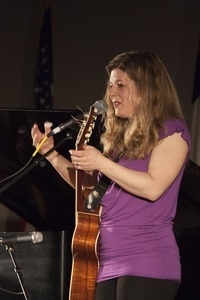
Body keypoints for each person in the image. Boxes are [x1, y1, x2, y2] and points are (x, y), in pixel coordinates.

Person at [31, 51, 191, 300]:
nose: (111, 93)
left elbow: (153, 187)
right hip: (105, 262)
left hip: (147, 261)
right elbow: (89, 190)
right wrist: (52, 155)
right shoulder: (121, 145)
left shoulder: (172, 133)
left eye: (121, 85)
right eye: (110, 85)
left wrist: (102, 163)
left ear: (146, 88)